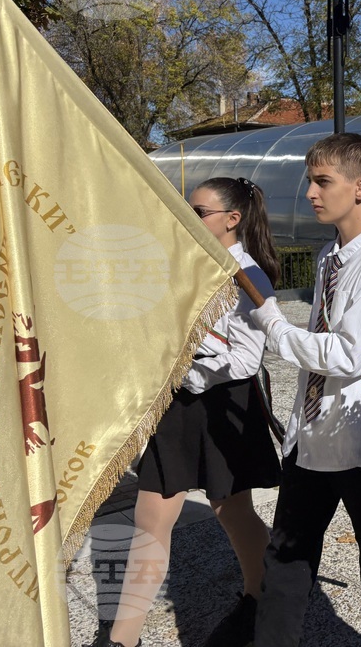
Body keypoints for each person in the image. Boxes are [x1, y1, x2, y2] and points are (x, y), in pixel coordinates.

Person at [87, 177, 282, 647]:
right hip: (176, 407)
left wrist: (182, 367)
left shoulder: (249, 275)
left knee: (232, 512)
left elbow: (245, 359)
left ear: (232, 220)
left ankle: (265, 596)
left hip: (223, 406)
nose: (185, 219)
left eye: (198, 212)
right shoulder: (182, 264)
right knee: (150, 518)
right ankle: (122, 639)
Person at [248, 133, 361, 647]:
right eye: (310, 181)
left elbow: (349, 353)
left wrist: (277, 330)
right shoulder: (328, 257)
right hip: (313, 437)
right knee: (286, 558)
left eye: (323, 181)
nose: (311, 193)